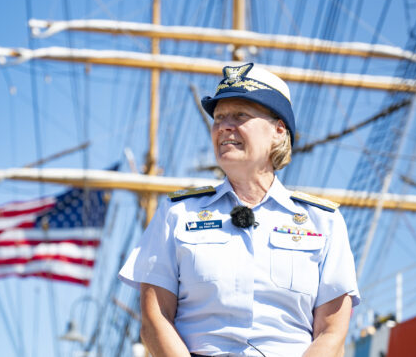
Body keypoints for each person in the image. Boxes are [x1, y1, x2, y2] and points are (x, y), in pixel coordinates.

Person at [118, 63, 360, 357]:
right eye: (219, 118)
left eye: (240, 115)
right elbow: (155, 319)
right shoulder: (177, 214)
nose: (224, 126)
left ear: (278, 130)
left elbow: (331, 331)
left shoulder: (324, 222)